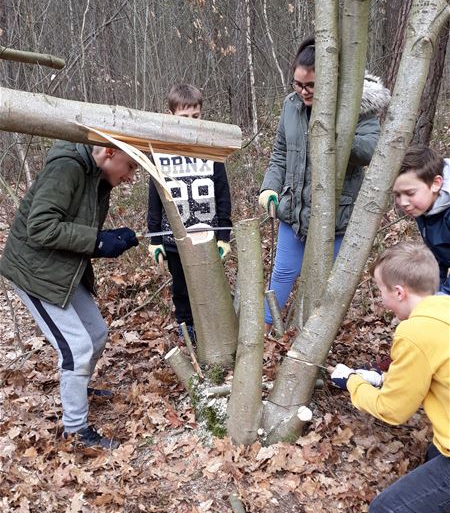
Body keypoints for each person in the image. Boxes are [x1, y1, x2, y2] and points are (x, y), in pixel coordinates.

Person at [0, 141, 139, 450]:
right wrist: (98, 242)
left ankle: (77, 386)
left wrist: (109, 239)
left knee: (97, 333)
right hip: (34, 272)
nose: (131, 177)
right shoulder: (66, 168)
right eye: (130, 167)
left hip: (61, 269)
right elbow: (41, 227)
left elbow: (75, 231)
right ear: (109, 152)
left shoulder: (97, 179)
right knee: (77, 348)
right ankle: (75, 431)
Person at [258, 35, 390, 331]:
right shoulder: (291, 106)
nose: (303, 92)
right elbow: (280, 153)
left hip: (335, 217)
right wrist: (270, 187)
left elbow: (370, 150)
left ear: (330, 80)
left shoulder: (358, 107)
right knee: (281, 275)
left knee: (323, 284)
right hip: (294, 211)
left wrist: (333, 130)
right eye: (297, 84)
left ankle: (313, 341)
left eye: (311, 86)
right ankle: (264, 337)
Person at [330, 242, 450, 513]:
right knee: (432, 454)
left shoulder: (415, 332)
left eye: (380, 291)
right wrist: (383, 378)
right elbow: (432, 375)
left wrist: (353, 384)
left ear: (399, 291)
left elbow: (393, 411)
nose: (380, 301)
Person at [147, 83, 232, 339]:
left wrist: (224, 235)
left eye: (196, 117)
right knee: (182, 288)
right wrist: (155, 239)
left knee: (210, 286)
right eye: (184, 118)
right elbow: (155, 198)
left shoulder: (211, 149)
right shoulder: (160, 153)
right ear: (170, 115)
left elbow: (222, 193)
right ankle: (187, 327)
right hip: (175, 240)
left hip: (206, 236)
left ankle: (215, 327)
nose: (191, 123)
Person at [393, 144, 450, 294]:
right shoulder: (423, 209)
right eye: (397, 195)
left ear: (436, 184)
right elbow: (438, 256)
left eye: (410, 193)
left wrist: (442, 297)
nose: (403, 202)